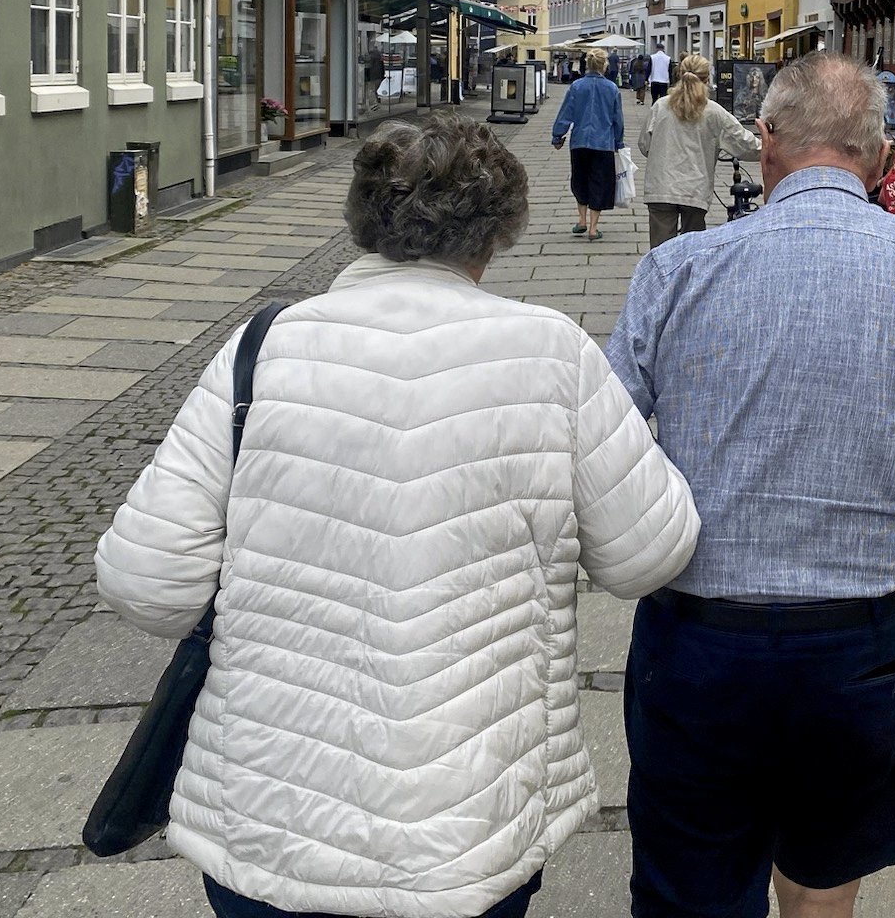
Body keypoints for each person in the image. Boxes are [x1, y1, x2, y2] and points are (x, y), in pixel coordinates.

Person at [96, 116, 700, 918]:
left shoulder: (263, 348)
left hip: (273, 811)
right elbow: (647, 554)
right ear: (497, 232)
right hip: (469, 817)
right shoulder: (549, 352)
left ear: (364, 220)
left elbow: (147, 580)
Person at [606, 53, 895, 918]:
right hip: (867, 638)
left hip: (701, 633)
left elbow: (602, 444)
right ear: (879, 156)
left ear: (765, 145)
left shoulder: (678, 270)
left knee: (691, 880)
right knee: (826, 868)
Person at [640, 53, 762, 247]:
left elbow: (645, 146)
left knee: (660, 251)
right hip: (695, 189)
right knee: (693, 250)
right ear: (707, 79)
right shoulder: (713, 111)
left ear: (679, 74)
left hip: (660, 187)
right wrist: (772, 147)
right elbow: (745, 143)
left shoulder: (660, 106)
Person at [552, 47, 625, 242]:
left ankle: (581, 220)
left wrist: (558, 136)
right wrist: (618, 141)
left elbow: (566, 112)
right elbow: (618, 119)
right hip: (603, 143)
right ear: (605, 65)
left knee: (580, 180)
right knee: (599, 183)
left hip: (580, 141)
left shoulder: (577, 86)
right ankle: (593, 228)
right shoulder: (612, 88)